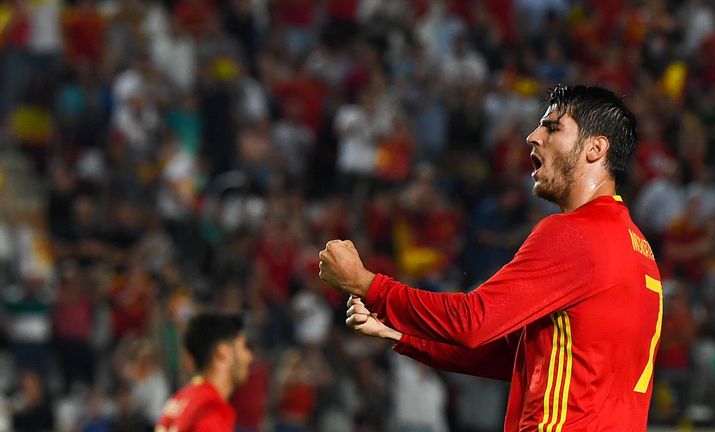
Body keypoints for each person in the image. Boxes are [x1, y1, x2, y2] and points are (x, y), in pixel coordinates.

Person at [319, 85, 663, 431]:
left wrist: (367, 284)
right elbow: (517, 357)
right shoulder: (640, 253)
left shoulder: (574, 233)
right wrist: (399, 333)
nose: (532, 136)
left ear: (596, 148)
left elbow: (473, 321)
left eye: (553, 127)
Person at [155, 312, 253, 432]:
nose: (249, 356)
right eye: (243, 347)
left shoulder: (178, 401)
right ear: (223, 352)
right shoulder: (212, 408)